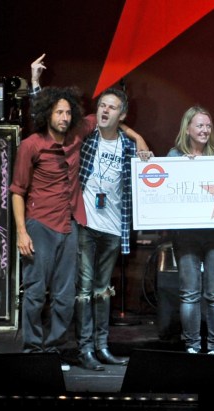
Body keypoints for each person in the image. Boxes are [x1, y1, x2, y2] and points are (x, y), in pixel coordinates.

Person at [11, 54, 149, 371]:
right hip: (47, 225)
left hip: (78, 226)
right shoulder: (36, 143)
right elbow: (17, 189)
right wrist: (34, 82)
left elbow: (110, 119)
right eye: (58, 112)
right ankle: (35, 351)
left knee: (67, 296)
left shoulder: (80, 135)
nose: (63, 116)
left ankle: (59, 349)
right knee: (39, 293)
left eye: (67, 112)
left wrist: (137, 135)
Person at [75, 87, 146, 370]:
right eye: (102, 105)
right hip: (86, 224)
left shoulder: (129, 147)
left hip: (114, 227)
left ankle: (102, 346)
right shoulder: (86, 139)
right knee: (83, 289)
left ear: (123, 114)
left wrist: (139, 140)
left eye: (112, 107)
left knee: (103, 290)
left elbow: (149, 179)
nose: (105, 111)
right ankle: (85, 349)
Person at [167, 105, 214, 355]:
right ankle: (192, 346)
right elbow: (163, 187)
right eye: (199, 125)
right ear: (188, 129)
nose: (204, 130)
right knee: (190, 293)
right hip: (186, 234)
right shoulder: (174, 156)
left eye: (207, 125)